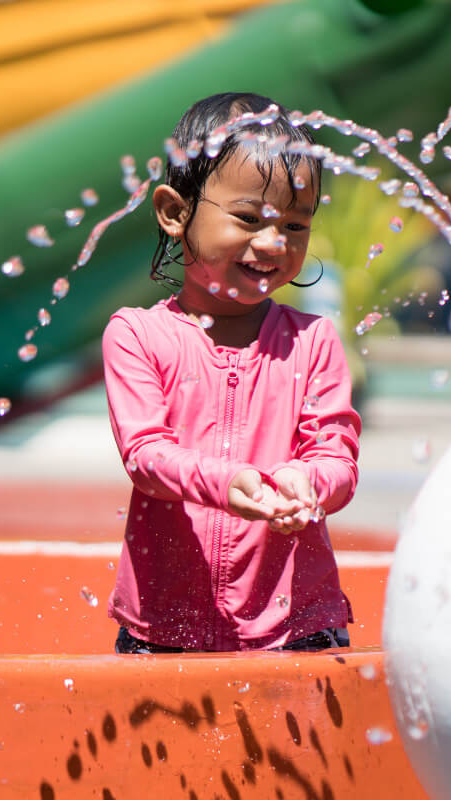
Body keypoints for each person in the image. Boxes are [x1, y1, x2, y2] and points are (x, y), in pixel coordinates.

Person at [102, 92, 361, 653]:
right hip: (164, 627)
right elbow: (146, 456)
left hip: (296, 628)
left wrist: (307, 484)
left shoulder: (312, 341)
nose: (273, 243)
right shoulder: (138, 336)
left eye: (295, 225)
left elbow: (336, 457)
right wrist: (229, 483)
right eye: (247, 218)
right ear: (175, 212)